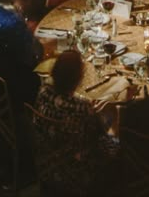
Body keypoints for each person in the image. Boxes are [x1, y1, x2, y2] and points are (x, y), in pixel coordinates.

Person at [33, 49, 116, 190]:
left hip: (45, 162)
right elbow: (103, 144)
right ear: (78, 79)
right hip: (75, 171)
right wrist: (115, 128)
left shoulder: (43, 92)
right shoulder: (82, 107)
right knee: (115, 133)